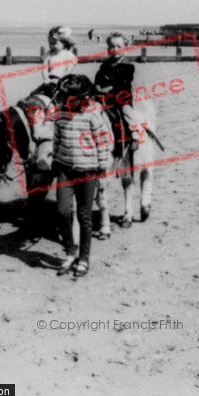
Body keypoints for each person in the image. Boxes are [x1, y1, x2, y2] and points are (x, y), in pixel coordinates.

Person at [53, 75, 110, 278]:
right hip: (65, 169)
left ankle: (84, 258)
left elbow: (103, 142)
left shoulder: (93, 115)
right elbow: (57, 139)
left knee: (84, 216)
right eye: (66, 97)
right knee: (62, 212)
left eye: (74, 97)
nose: (69, 101)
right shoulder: (60, 114)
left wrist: (102, 166)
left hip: (87, 170)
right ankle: (70, 251)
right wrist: (56, 161)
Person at [94, 32, 141, 150]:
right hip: (104, 97)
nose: (115, 49)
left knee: (126, 111)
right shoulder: (105, 64)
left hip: (121, 97)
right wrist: (98, 87)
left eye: (118, 47)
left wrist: (108, 89)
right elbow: (98, 77)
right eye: (111, 46)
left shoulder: (128, 66)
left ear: (125, 48)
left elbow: (122, 82)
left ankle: (135, 135)